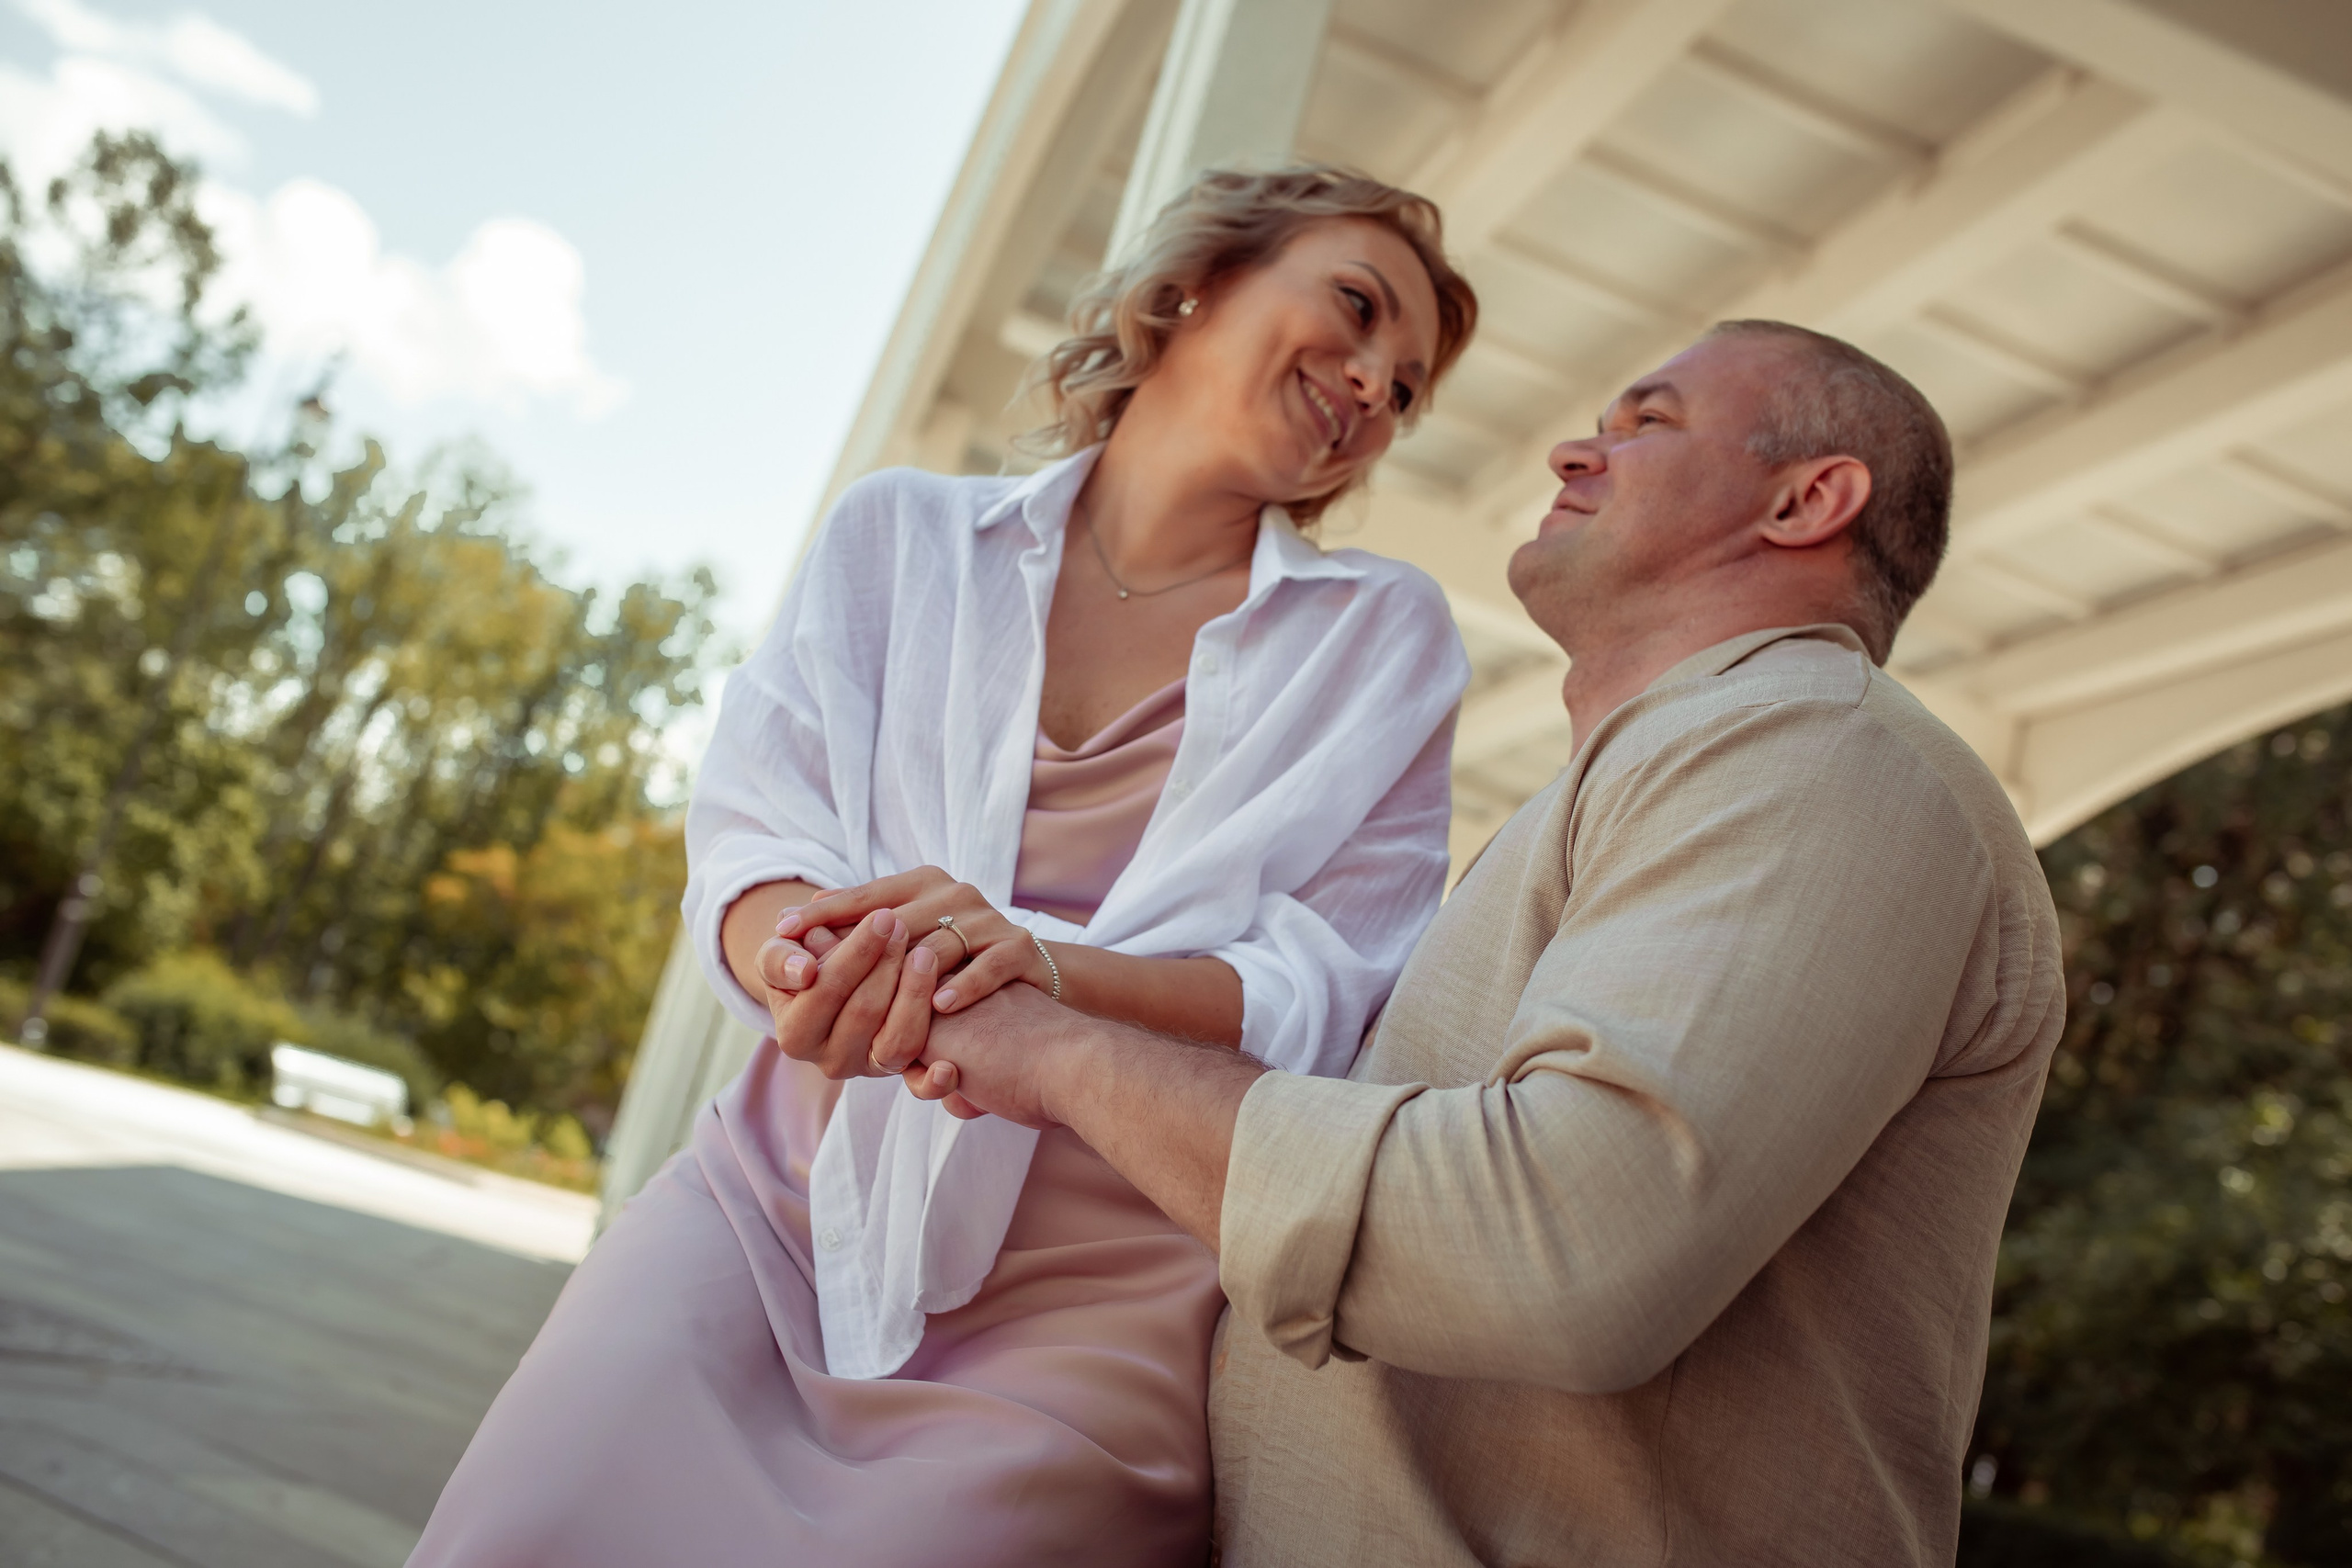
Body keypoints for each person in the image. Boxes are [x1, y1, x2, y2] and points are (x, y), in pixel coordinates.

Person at [406, 165, 1479, 1568]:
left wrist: (1033, 975)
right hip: (785, 1197)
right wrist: (815, 968)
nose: (1372, 386)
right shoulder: (901, 537)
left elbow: (1329, 984)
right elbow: (758, 831)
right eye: (1356, 309)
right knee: (531, 1526)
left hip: (1106, 1290)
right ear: (1200, 282)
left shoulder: (1383, 639)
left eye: (1406, 387)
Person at [911, 320, 2068, 1567]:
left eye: (1647, 422)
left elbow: (1562, 1245)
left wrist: (1060, 1057)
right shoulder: (1659, 781)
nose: (1576, 449)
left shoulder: (1827, 757)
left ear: (1806, 500)